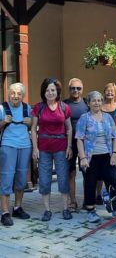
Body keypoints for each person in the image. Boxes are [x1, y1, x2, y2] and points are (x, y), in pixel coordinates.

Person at [31, 78, 73, 222]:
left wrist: (69, 146)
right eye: (47, 90)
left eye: (53, 90)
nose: (50, 93)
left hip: (61, 147)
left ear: (57, 91)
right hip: (43, 148)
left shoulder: (64, 107)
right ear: (44, 92)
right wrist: (35, 148)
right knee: (44, 179)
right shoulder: (39, 107)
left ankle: (65, 208)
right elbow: (33, 128)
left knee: (63, 178)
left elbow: (69, 128)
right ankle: (47, 210)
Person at [76, 91, 116, 223]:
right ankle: (91, 211)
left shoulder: (108, 118)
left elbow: (114, 137)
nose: (97, 103)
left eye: (99, 100)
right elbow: (79, 139)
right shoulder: (85, 118)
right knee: (90, 184)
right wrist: (82, 158)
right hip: (90, 157)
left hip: (107, 155)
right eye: (93, 100)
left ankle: (114, 208)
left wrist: (115, 154)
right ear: (88, 103)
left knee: (112, 181)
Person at [0, 83, 32, 226]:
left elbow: (32, 125)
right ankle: (5, 212)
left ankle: (17, 207)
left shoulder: (27, 108)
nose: (16, 96)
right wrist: (2, 122)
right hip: (8, 145)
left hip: (25, 146)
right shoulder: (2, 108)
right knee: (7, 178)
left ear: (23, 96)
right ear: (8, 94)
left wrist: (30, 123)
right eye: (13, 93)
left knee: (21, 178)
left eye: (19, 93)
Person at [63, 78, 89, 211]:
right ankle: (72, 201)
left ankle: (87, 200)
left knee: (87, 172)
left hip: (85, 143)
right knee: (71, 172)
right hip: (70, 143)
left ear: (82, 89)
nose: (76, 91)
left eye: (78, 88)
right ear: (69, 89)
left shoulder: (86, 103)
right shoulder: (64, 104)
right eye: (73, 88)